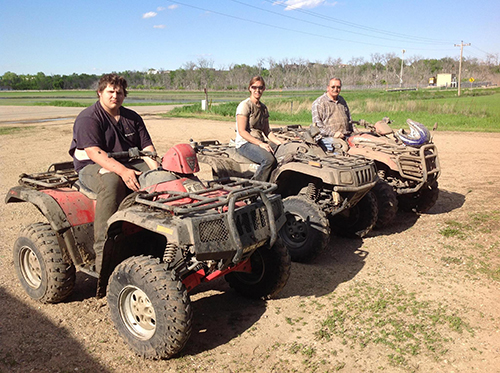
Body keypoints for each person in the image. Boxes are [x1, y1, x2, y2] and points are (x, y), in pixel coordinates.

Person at [69, 73, 159, 274]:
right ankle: (104, 249)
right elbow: (94, 152)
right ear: (100, 92)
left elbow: (147, 148)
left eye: (119, 92)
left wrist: (157, 170)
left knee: (162, 178)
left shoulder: (131, 117)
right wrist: (123, 171)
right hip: (91, 166)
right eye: (110, 91)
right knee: (112, 182)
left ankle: (155, 237)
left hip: (127, 162)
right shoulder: (89, 117)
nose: (115, 96)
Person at [234, 76, 282, 181]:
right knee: (268, 160)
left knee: (282, 153)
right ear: (250, 88)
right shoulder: (245, 106)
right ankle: (256, 187)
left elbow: (267, 131)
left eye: (260, 87)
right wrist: (260, 144)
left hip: (258, 141)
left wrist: (280, 143)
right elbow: (242, 131)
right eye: (254, 87)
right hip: (245, 143)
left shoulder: (263, 108)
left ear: (264, 89)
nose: (257, 90)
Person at [311, 77, 353, 152]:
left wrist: (355, 132)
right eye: (333, 87)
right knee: (342, 149)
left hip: (344, 135)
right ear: (328, 88)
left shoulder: (342, 101)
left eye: (338, 87)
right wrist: (333, 134)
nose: (335, 89)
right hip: (326, 138)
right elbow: (318, 126)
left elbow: (349, 119)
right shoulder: (319, 103)